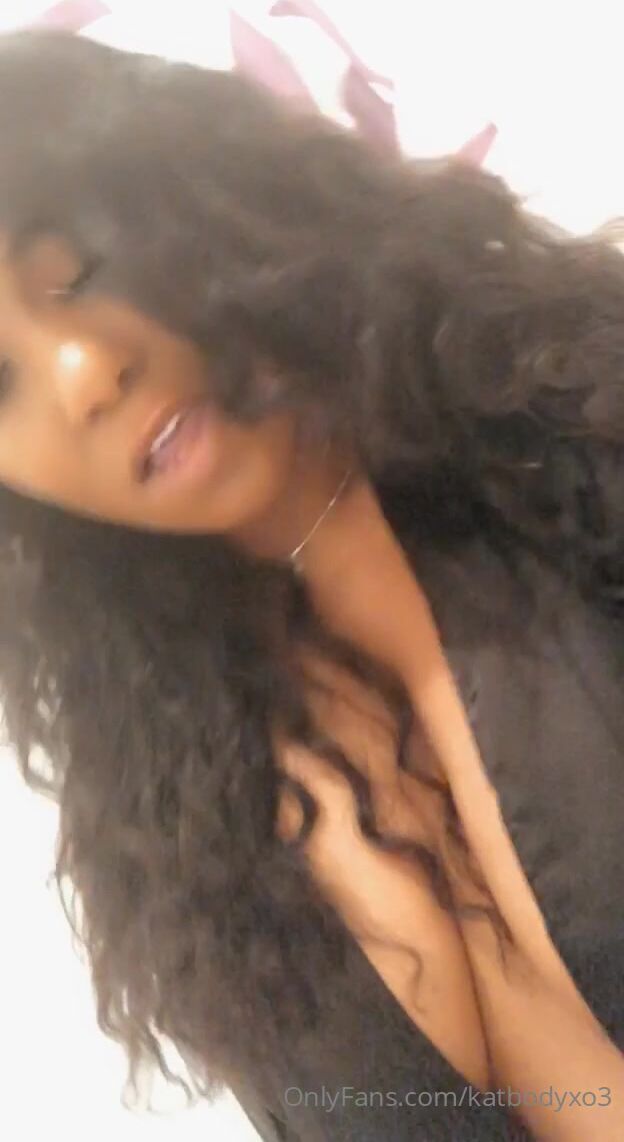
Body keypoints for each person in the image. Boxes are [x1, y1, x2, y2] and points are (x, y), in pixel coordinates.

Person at [0, 27, 622, 1142]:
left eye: (78, 274)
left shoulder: (568, 423)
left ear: (184, 196)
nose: (85, 373)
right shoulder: (170, 814)